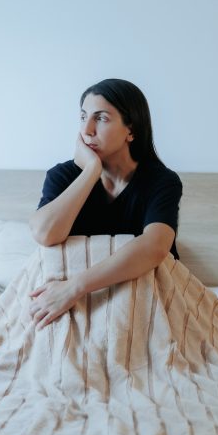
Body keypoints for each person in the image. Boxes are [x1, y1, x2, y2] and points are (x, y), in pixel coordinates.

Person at [28, 79, 182, 330]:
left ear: (130, 130)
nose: (87, 130)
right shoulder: (62, 176)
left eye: (101, 118)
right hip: (73, 308)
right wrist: (91, 171)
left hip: (141, 303)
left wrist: (74, 287)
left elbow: (155, 247)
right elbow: (44, 234)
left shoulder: (161, 181)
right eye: (83, 117)